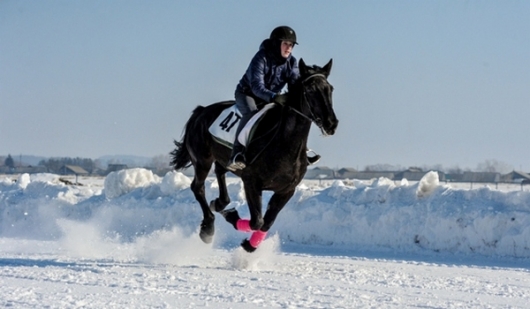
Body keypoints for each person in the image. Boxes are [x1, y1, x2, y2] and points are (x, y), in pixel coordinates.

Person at [226, 26, 321, 172]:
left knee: (291, 115)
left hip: (271, 97)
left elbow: (294, 84)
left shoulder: (292, 62)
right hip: (247, 94)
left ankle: (300, 151)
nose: (289, 48)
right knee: (251, 113)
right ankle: (237, 153)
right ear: (276, 44)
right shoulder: (261, 57)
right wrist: (274, 97)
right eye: (285, 44)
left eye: (291, 45)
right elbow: (257, 86)